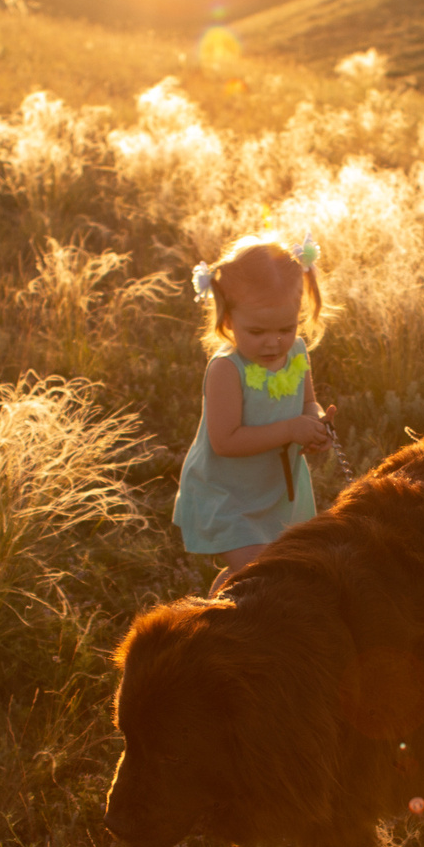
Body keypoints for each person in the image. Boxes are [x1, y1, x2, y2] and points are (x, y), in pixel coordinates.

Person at [172, 233, 337, 586]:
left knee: (261, 572)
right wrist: (291, 430)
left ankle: (220, 610)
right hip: (229, 493)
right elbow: (225, 441)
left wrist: (315, 423)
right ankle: (222, 629)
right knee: (262, 575)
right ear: (229, 321)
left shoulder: (296, 352)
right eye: (257, 330)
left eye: (286, 328)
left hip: (276, 489)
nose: (273, 341)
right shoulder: (227, 370)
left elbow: (308, 401)